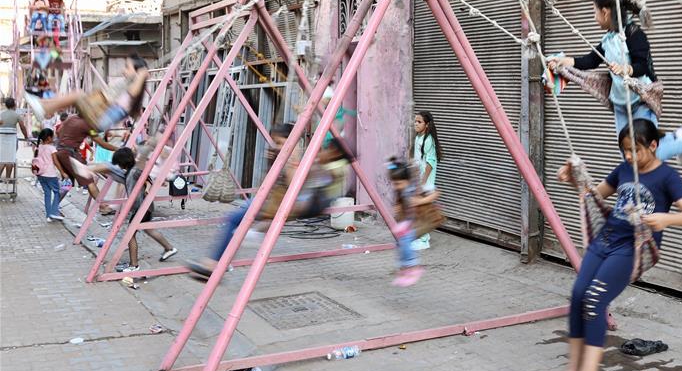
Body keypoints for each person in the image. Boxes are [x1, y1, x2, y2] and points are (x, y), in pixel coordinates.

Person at [553, 120, 682, 371]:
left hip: (632, 248)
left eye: (636, 150)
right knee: (579, 295)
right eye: (625, 151)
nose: (630, 157)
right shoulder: (622, 170)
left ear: (654, 146)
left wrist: (665, 220)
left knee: (595, 300)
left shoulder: (667, 176)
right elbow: (596, 195)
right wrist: (572, 179)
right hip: (604, 240)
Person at [548, 0, 682, 171]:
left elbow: (642, 65)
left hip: (641, 102)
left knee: (643, 156)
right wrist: (564, 61)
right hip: (621, 105)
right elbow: (590, 60)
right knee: (628, 155)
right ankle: (674, 139)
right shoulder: (608, 39)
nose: (593, 17)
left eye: (594, 12)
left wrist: (625, 69)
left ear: (605, 12)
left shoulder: (633, 34)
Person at [187, 124, 349, 279]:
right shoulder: (291, 156)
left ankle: (216, 263)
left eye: (280, 142)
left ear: (289, 141)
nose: (277, 146)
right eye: (275, 142)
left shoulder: (301, 159)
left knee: (233, 221)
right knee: (235, 223)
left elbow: (296, 186)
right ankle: (219, 261)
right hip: (274, 201)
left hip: (284, 204)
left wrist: (290, 164)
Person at [88, 147, 177, 273]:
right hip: (143, 207)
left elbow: (147, 178)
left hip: (142, 208)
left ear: (123, 162)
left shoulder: (135, 171)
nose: (118, 166)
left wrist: (148, 188)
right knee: (148, 229)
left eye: (119, 163)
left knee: (130, 235)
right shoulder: (130, 172)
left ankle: (134, 265)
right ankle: (169, 248)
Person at [24, 54, 149, 133]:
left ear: (137, 72)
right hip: (99, 117)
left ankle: (44, 107)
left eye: (127, 67)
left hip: (100, 121)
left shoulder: (134, 89)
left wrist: (142, 74)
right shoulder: (127, 85)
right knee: (73, 97)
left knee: (78, 95)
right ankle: (42, 104)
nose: (123, 70)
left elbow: (134, 90)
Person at [386, 156, 442, 287]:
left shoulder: (416, 188)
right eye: (394, 183)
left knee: (405, 239)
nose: (396, 186)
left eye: (398, 183)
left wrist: (420, 201)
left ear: (407, 180)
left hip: (420, 221)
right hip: (409, 221)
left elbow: (436, 193)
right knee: (399, 240)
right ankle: (403, 269)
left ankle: (413, 266)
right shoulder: (402, 190)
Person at [55, 113, 118, 212]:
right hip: (70, 153)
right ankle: (102, 207)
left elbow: (58, 131)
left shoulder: (71, 117)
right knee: (89, 180)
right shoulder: (88, 125)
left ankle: (53, 206)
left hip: (61, 152)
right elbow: (101, 143)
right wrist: (117, 149)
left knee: (68, 182)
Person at [409, 110, 443, 251]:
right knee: (418, 208)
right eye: (415, 121)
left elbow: (430, 163)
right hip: (419, 179)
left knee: (421, 209)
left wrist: (423, 182)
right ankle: (423, 236)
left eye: (419, 122)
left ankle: (423, 240)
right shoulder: (419, 137)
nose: (415, 124)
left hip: (426, 181)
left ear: (427, 124)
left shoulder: (429, 140)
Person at [31, 128, 64, 222]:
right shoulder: (52, 148)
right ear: (49, 138)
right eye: (53, 136)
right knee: (57, 192)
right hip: (50, 174)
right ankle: (53, 212)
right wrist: (62, 172)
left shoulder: (38, 147)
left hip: (40, 174)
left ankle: (48, 215)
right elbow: (56, 162)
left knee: (47, 194)